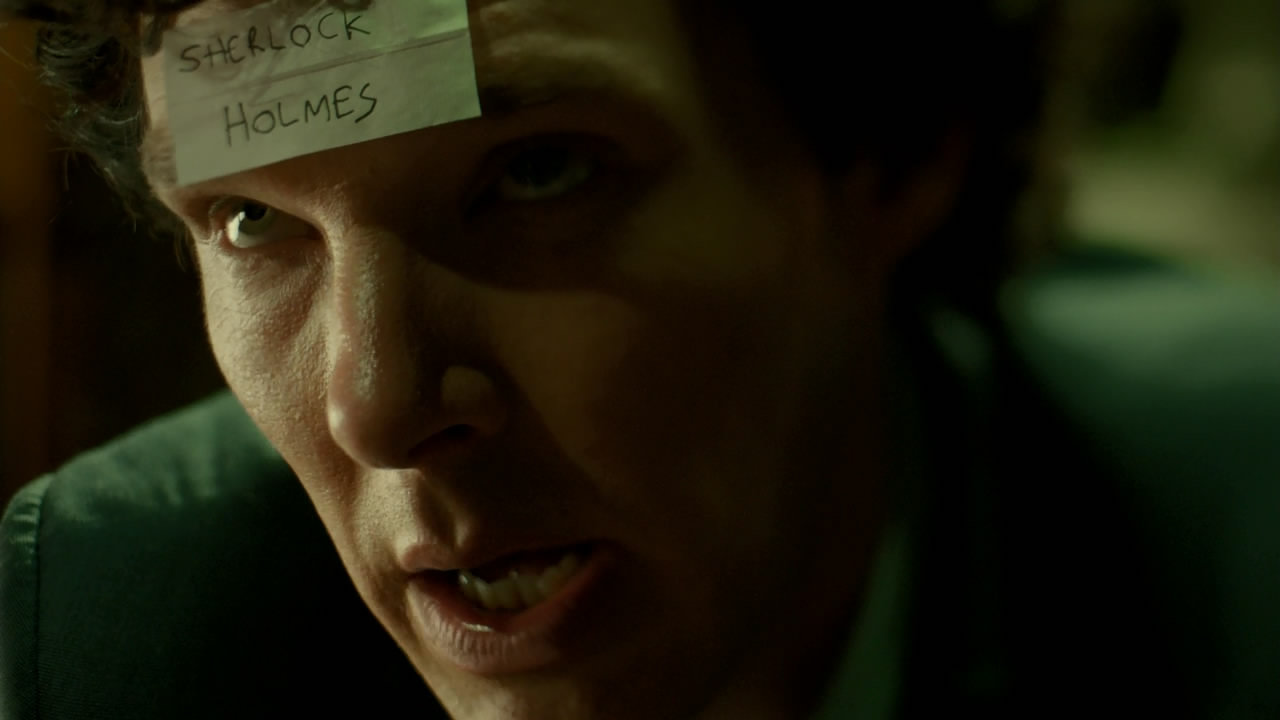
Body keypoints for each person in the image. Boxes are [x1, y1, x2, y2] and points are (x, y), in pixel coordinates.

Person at [2, 1, 1278, 718]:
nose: (373, 406)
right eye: (250, 222)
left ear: (883, 160)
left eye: (540, 174)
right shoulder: (130, 645)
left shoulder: (1232, 577)